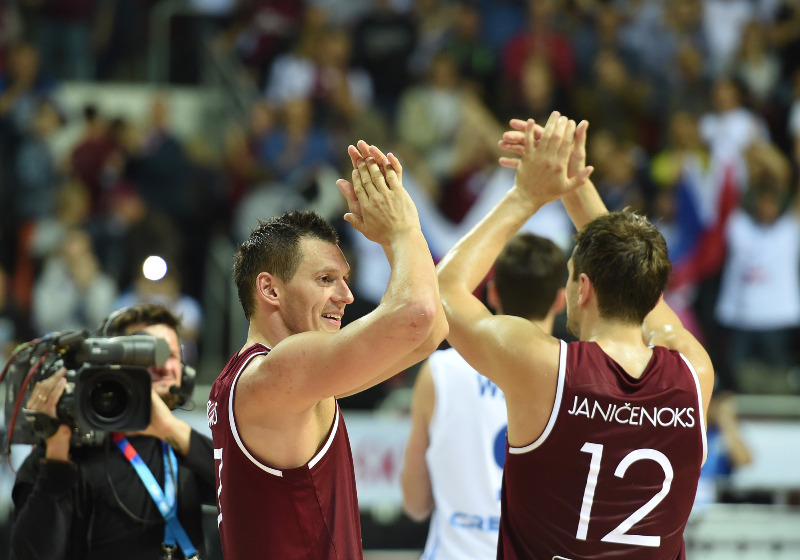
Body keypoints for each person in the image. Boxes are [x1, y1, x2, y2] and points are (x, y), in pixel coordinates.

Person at [436, 111, 714, 559]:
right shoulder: (694, 373)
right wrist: (575, 184)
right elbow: (645, 293)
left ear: (582, 289)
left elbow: (443, 292)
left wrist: (525, 196)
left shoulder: (545, 367)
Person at [207, 145, 447, 559]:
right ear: (270, 289)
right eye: (325, 279)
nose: (347, 295)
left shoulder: (277, 380)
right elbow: (418, 315)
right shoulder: (279, 371)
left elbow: (430, 332)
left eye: (345, 279)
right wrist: (403, 229)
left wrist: (399, 238)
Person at [401, 232, 567, 559]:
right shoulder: (576, 376)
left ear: (492, 293)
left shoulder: (441, 371)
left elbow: (415, 503)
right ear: (561, 300)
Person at [11, 303, 215, 560]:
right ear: (109, 364)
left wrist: (171, 429)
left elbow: (250, 492)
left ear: (184, 374)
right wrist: (56, 453)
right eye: (149, 354)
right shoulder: (64, 452)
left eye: (171, 355)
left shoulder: (184, 448)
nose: (163, 366)